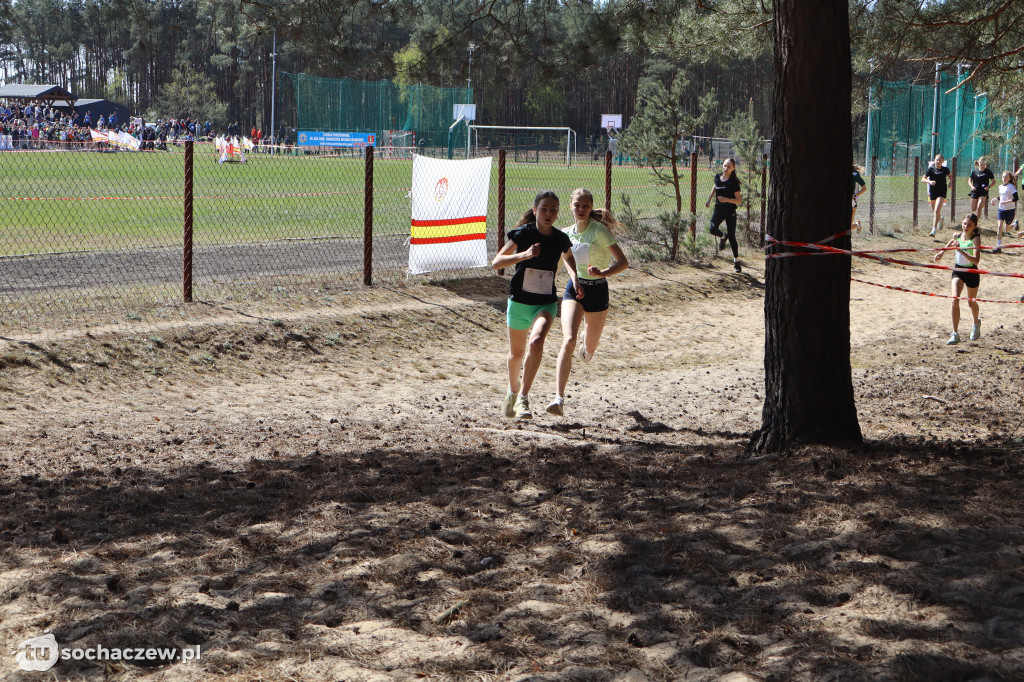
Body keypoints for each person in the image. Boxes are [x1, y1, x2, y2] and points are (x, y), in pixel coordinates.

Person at [492, 191, 582, 420]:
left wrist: (574, 277)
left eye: (553, 210)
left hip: (546, 302)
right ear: (535, 211)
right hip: (520, 302)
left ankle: (523, 396)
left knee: (537, 340)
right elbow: (497, 262)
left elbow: (569, 257)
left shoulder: (560, 238)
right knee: (516, 354)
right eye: (544, 209)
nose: (549, 214)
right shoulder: (524, 234)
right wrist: (524, 255)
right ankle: (512, 391)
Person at [547, 189, 629, 416]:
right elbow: (555, 268)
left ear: (591, 207)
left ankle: (587, 344)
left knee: (589, 348)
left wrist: (603, 272)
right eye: (577, 205)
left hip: (598, 291)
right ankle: (558, 398)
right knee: (568, 339)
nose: (581, 209)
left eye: (585, 205)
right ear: (570, 207)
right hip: (574, 289)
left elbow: (623, 262)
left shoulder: (599, 231)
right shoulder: (564, 235)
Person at [934, 212, 982, 345]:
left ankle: (976, 323)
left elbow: (976, 261)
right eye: (964, 223)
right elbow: (951, 241)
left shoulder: (975, 239)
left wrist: (960, 250)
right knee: (955, 299)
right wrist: (942, 252)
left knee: (971, 302)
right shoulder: (958, 235)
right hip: (958, 271)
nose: (966, 226)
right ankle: (955, 334)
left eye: (969, 225)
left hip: (972, 272)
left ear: (974, 227)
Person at [705, 157, 743, 272]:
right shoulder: (717, 177)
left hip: (730, 211)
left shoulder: (733, 182)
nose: (726, 168)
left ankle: (736, 261)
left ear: (733, 169)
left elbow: (738, 200)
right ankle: (723, 237)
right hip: (719, 209)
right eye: (725, 165)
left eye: (729, 167)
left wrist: (726, 199)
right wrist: (709, 199)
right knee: (712, 229)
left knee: (732, 237)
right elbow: (715, 187)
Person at [992, 166, 1023, 253]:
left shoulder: (1011, 187)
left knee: (1007, 230)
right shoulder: (1000, 187)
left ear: (1009, 178)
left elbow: (1016, 198)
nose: (1004, 178)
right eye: (1003, 177)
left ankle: (1015, 224)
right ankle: (999, 247)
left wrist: (1006, 202)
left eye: (1006, 177)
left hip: (1010, 210)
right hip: (1001, 209)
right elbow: (1001, 197)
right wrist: (995, 199)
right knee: (999, 227)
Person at [922, 153, 950, 237]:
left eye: (940, 160)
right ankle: (940, 219)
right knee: (935, 212)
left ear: (942, 161)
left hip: (942, 192)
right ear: (934, 160)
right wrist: (929, 182)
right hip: (933, 192)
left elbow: (950, 176)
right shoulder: (930, 169)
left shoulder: (945, 169)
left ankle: (933, 230)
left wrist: (950, 182)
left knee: (937, 210)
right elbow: (923, 179)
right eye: (937, 159)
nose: (938, 161)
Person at [851, 164, 867, 232]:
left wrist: (855, 196)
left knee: (849, 226)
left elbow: (864, 188)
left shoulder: (855, 175)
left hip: (852, 202)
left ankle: (858, 225)